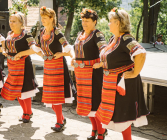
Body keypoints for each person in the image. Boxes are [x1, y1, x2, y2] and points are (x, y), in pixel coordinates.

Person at [94, 8, 150, 140]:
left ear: (118, 23)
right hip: (111, 83)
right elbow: (113, 58)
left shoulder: (126, 39)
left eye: (110, 21)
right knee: (118, 116)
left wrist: (135, 72)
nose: (108, 24)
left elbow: (140, 53)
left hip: (122, 85)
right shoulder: (114, 38)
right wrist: (102, 64)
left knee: (124, 117)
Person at [35, 6, 76, 132]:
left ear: (52, 19)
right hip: (48, 66)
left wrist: (62, 54)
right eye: (42, 18)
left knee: (56, 97)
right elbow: (36, 47)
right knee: (49, 97)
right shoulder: (42, 32)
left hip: (58, 66)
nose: (43, 20)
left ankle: (59, 121)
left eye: (45, 18)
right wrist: (42, 55)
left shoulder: (57, 32)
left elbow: (68, 48)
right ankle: (61, 118)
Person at [71, 8, 108, 140]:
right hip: (81, 74)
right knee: (86, 103)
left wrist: (101, 62)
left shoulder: (98, 35)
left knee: (95, 103)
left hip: (94, 74)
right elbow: (78, 51)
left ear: (95, 21)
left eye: (87, 21)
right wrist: (74, 59)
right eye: (83, 20)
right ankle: (94, 128)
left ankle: (101, 131)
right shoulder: (80, 34)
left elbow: (104, 49)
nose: (84, 23)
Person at [0, 11, 39, 123]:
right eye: (10, 21)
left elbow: (34, 49)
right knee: (16, 90)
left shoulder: (26, 34)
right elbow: (4, 47)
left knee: (25, 91)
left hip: (24, 65)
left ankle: (28, 112)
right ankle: (25, 112)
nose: (11, 23)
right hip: (12, 66)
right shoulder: (9, 34)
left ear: (21, 22)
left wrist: (20, 54)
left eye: (14, 21)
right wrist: (4, 51)